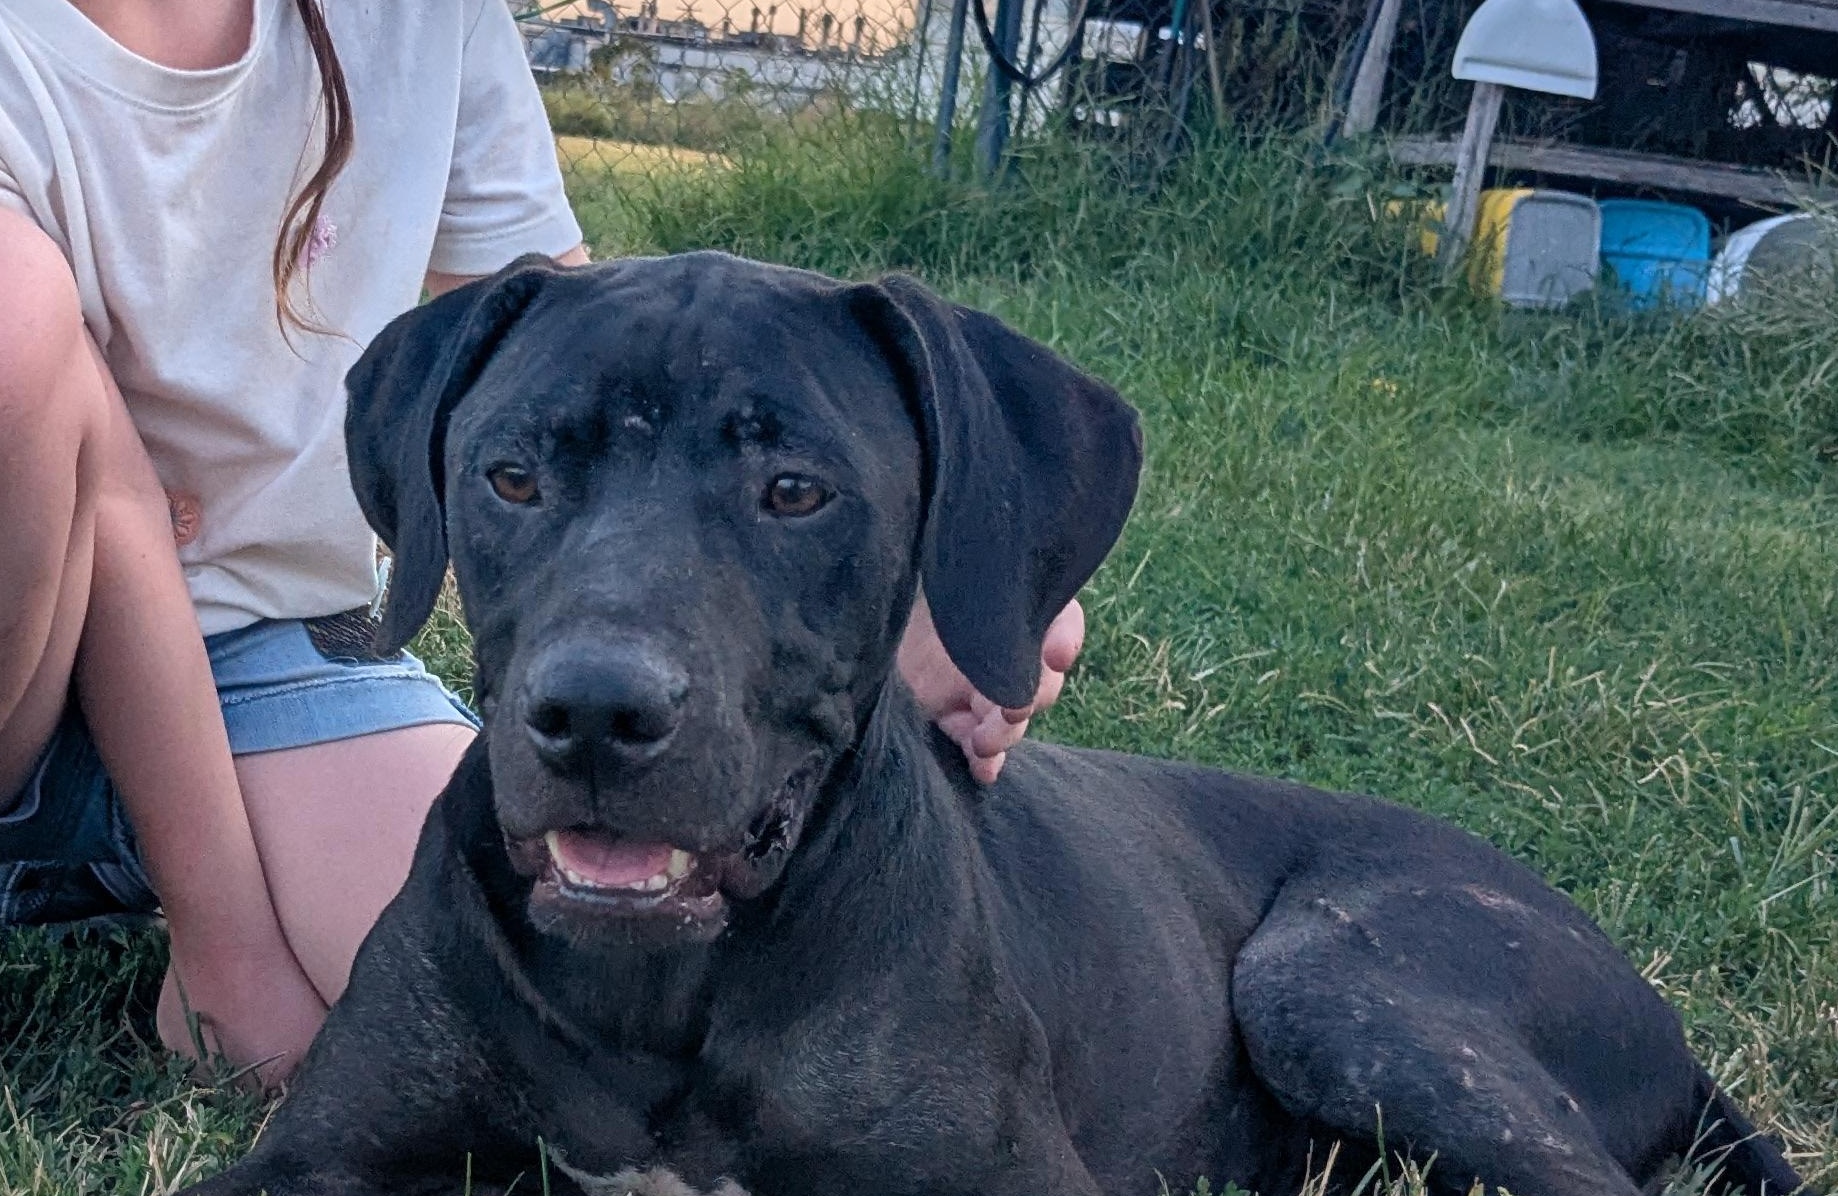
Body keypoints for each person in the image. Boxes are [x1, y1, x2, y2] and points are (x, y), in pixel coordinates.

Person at [0, 0, 1083, 1088]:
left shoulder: (415, 17)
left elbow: (588, 364)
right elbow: (116, 505)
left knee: (565, 1052)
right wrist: (225, 942)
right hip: (32, 646)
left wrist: (921, 564)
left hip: (270, 650)